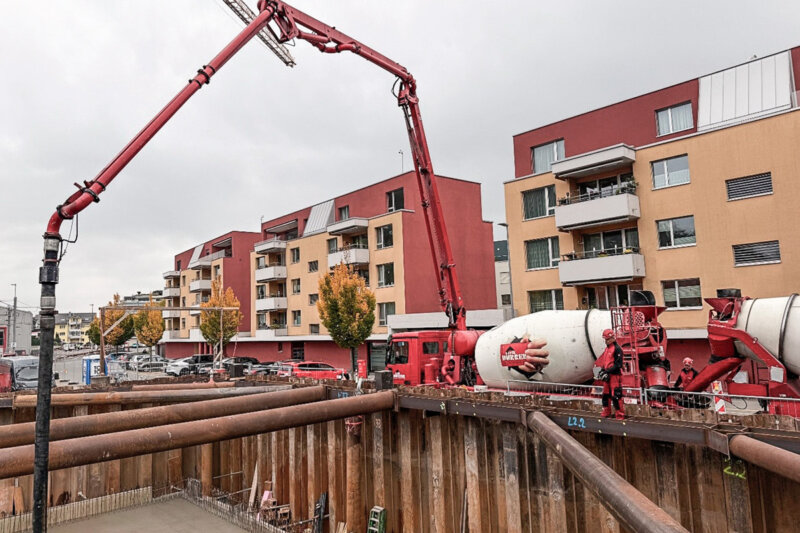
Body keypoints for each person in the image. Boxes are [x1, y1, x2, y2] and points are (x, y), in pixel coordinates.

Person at [596, 329, 625, 419]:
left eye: (607, 339)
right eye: (605, 339)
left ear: (612, 338)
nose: (606, 341)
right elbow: (605, 362)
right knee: (605, 394)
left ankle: (619, 415)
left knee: (616, 395)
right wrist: (602, 370)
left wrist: (607, 371)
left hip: (615, 375)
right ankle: (606, 411)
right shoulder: (607, 349)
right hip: (608, 375)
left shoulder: (617, 349)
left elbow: (618, 364)